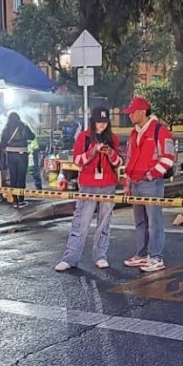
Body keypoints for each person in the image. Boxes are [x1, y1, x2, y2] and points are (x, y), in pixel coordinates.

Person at [55, 107, 122, 272]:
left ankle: (100, 255)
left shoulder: (112, 138)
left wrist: (110, 153)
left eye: (105, 122)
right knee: (80, 222)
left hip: (108, 184)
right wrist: (92, 151)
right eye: (99, 122)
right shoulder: (84, 137)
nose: (102, 126)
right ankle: (70, 258)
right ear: (93, 121)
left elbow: (119, 162)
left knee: (104, 223)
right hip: (88, 184)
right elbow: (78, 161)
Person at [122, 96, 175, 273]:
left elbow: (168, 158)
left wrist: (151, 175)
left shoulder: (160, 131)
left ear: (142, 112)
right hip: (136, 182)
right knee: (141, 222)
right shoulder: (134, 133)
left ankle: (156, 257)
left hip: (151, 183)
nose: (129, 116)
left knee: (154, 222)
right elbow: (129, 159)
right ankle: (142, 254)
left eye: (132, 112)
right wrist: (127, 183)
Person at [0, 111, 36, 208]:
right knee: (21, 177)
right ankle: (21, 198)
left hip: (11, 155)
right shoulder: (24, 126)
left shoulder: (6, 128)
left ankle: (14, 199)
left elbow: (2, 142)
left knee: (13, 177)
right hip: (22, 154)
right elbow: (32, 137)